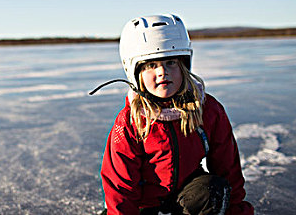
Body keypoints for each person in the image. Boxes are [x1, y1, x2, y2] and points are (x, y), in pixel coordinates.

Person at [97, 14, 254, 215]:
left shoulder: (207, 110)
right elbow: (120, 185)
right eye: (151, 65)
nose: (163, 71)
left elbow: (228, 169)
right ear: (135, 72)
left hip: (186, 200)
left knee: (212, 189)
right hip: (144, 205)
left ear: (184, 66)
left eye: (170, 62)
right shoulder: (129, 121)